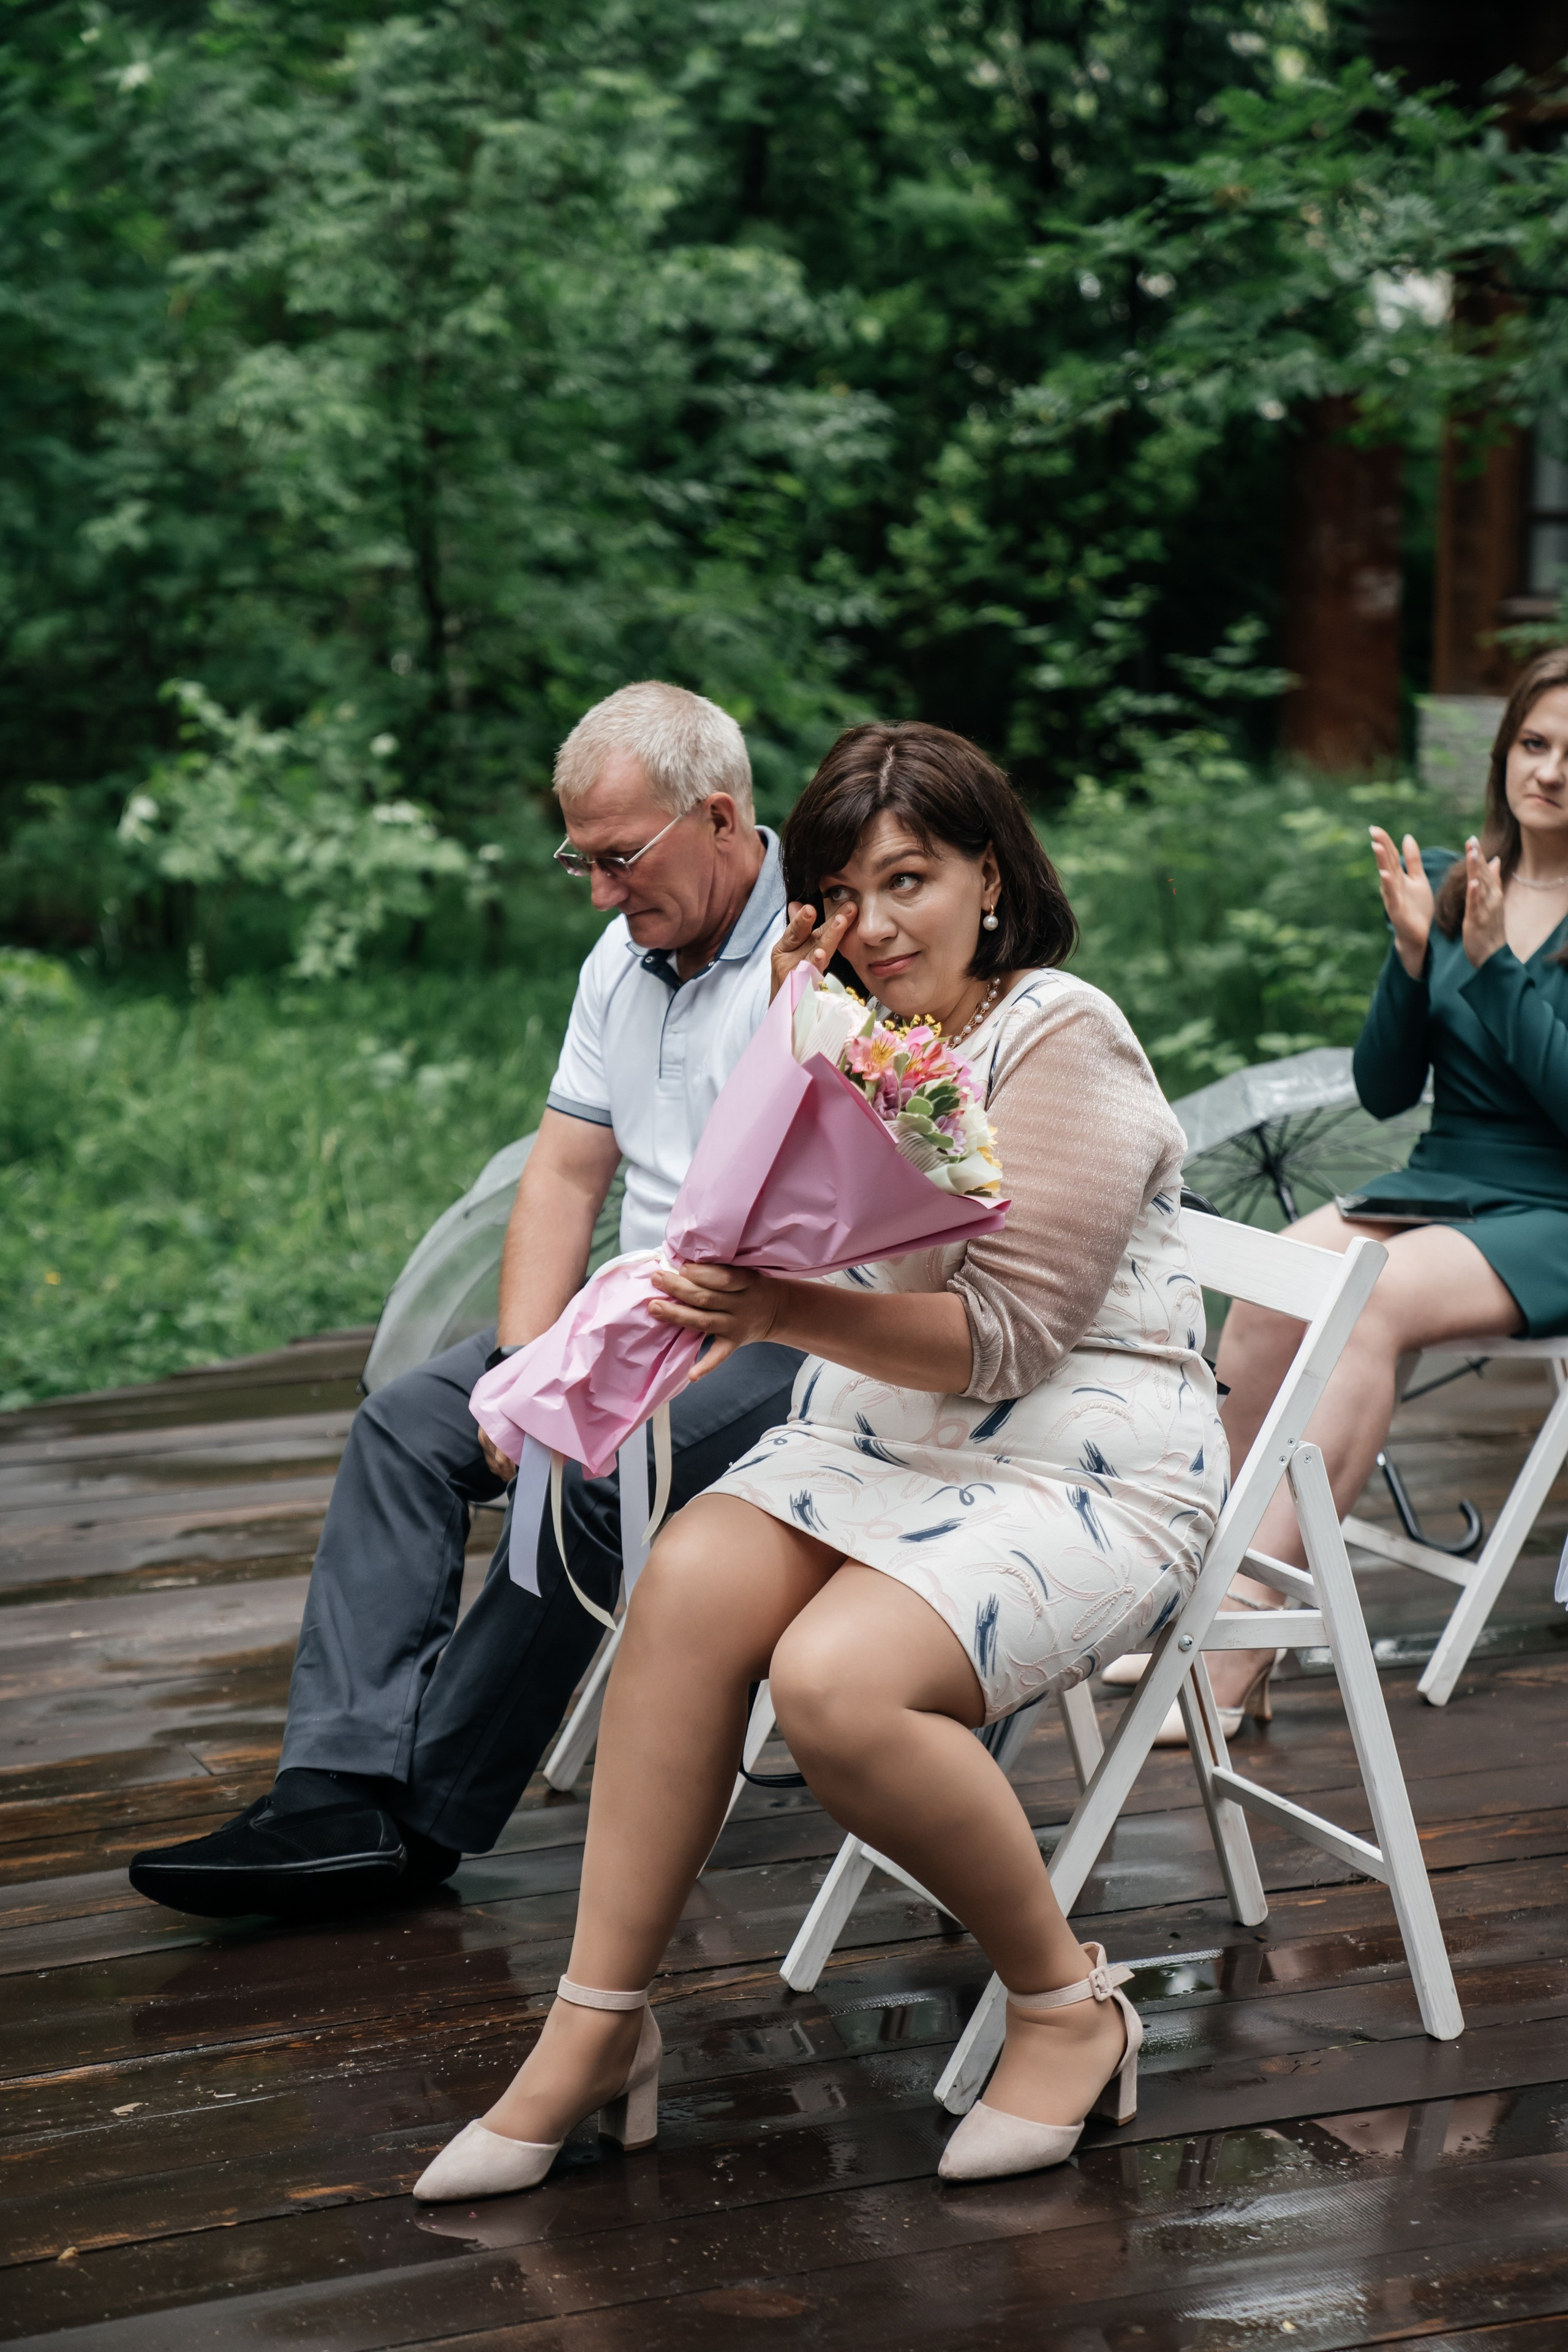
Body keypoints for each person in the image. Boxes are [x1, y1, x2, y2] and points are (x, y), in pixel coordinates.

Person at [412, 720, 1229, 2199]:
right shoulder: (853, 1034)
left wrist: (776, 1305)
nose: (877, 922)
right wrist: (792, 1059)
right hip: (886, 1438)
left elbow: (1011, 1341)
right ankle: (593, 2029)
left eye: (910, 879)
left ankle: (1063, 2007)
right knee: (689, 1579)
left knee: (837, 1685)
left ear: (991, 873)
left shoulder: (1066, 1034)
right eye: (846, 892)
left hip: (1081, 1462)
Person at [129, 682, 803, 1917]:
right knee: (409, 1427)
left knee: (598, 1472)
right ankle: (331, 1787)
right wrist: (524, 1367)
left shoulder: (824, 956)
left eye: (617, 859)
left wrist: (569, 1406)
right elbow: (562, 1167)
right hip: (633, 1314)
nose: (598, 895)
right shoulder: (625, 955)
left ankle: (423, 1816)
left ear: (717, 817)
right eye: (577, 861)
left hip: (795, 1335)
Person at [1201, 646, 1568, 1721]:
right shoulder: (1464, 885)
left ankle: (1234, 1660)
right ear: (1503, 756)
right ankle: (1219, 1610)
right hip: (1443, 1180)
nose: (1548, 771)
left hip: (1552, 1206)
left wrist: (1498, 970)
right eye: (1534, 744)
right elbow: (1382, 1085)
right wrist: (1414, 959)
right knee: (1267, 1293)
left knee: (1365, 1307)